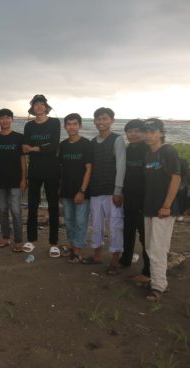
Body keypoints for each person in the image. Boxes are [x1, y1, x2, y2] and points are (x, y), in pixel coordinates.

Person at [142, 119, 182, 302]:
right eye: (146, 131)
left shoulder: (168, 151)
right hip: (150, 208)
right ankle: (156, 280)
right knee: (151, 247)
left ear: (161, 133)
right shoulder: (149, 154)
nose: (149, 135)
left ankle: (158, 286)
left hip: (164, 209)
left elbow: (176, 178)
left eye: (153, 131)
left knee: (158, 248)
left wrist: (166, 205)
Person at [83, 107, 126, 274]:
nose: (101, 122)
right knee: (96, 225)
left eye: (105, 119)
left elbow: (121, 166)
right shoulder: (93, 142)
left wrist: (118, 190)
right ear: (94, 122)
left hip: (112, 192)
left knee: (115, 225)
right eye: (98, 119)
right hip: (95, 191)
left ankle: (115, 260)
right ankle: (97, 255)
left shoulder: (117, 140)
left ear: (112, 120)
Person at [23, 94, 61, 256]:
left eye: (42, 104)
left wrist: (34, 148)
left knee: (53, 206)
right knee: (32, 205)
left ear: (46, 107)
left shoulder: (54, 122)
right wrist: (42, 147)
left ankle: (54, 243)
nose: (39, 107)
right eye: (36, 104)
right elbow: (24, 147)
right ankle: (32, 240)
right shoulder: (29, 126)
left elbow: (54, 146)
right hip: (35, 170)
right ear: (32, 108)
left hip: (52, 170)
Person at [58, 113, 92, 263]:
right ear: (65, 126)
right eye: (69, 124)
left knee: (80, 221)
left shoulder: (86, 144)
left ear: (80, 126)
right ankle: (72, 246)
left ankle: (77, 250)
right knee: (70, 220)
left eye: (75, 124)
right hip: (66, 190)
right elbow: (61, 169)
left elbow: (89, 169)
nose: (71, 127)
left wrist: (82, 191)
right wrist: (60, 190)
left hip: (81, 192)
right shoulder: (63, 145)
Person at [119, 119, 151, 282]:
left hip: (145, 200)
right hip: (129, 197)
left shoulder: (149, 150)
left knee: (145, 236)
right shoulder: (128, 150)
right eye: (130, 131)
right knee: (128, 230)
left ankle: (147, 270)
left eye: (137, 130)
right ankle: (126, 259)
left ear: (144, 132)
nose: (133, 134)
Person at [0, 108, 27, 252]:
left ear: (12, 119)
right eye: (2, 118)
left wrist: (24, 179)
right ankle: (5, 237)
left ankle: (18, 240)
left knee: (16, 210)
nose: (5, 120)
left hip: (15, 180)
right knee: (2, 210)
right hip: (0, 180)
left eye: (8, 117)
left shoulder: (19, 137)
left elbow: (23, 159)